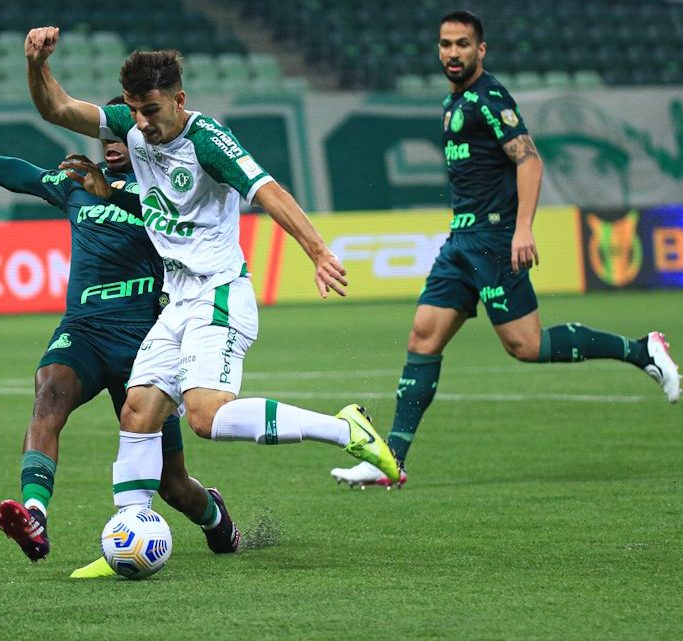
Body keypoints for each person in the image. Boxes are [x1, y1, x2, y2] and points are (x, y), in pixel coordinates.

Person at [23, 26, 401, 534]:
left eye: (151, 110)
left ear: (179, 100)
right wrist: (37, 64)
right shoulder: (133, 126)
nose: (139, 124)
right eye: (133, 111)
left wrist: (316, 250)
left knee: (204, 417)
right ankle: (126, 539)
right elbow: (58, 108)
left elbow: (268, 191)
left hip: (218, 293)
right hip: (176, 302)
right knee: (137, 413)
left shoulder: (208, 141)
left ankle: (344, 428)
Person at [331, 10, 682, 489]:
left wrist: (523, 229)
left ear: (481, 50)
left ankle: (641, 350)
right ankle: (389, 460)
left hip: (495, 238)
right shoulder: (454, 102)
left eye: (462, 44)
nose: (452, 53)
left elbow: (530, 162)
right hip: (460, 240)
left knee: (526, 346)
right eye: (445, 44)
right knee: (423, 337)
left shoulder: (491, 98)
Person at [0, 108, 242, 578]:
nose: (110, 144)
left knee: (173, 486)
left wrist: (111, 193)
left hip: (147, 338)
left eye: (121, 137)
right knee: (48, 397)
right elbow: (20, 175)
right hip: (84, 329)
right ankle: (35, 516)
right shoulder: (76, 185)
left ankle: (213, 514)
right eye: (104, 136)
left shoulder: (165, 193)